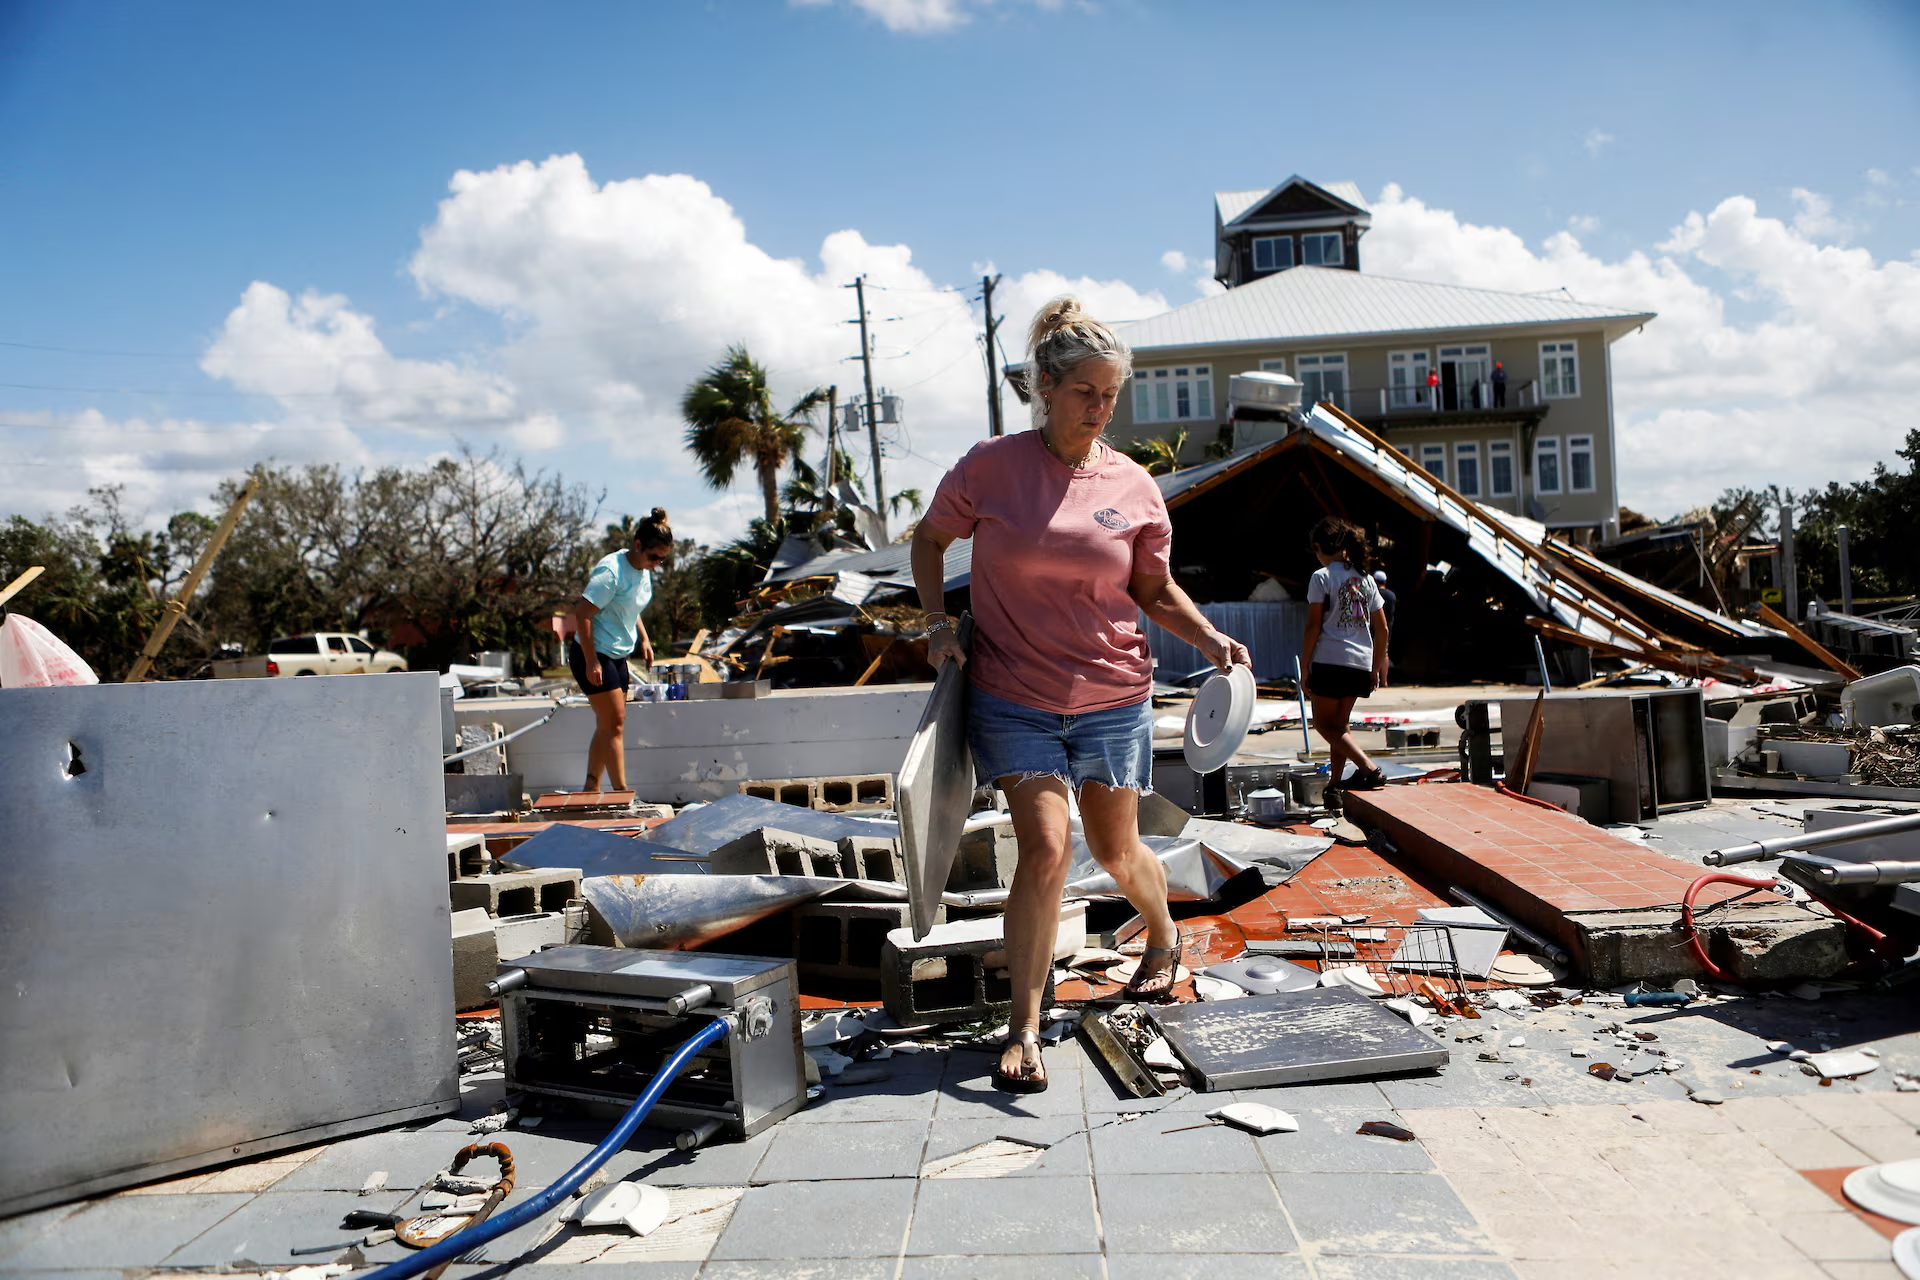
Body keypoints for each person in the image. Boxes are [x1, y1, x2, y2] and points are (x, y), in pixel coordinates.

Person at [912, 296, 1250, 1094]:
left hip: (1112, 694)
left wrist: (1208, 639)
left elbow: (1154, 588)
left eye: (1110, 395)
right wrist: (936, 623)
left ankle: (1162, 933)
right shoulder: (991, 467)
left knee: (1115, 851)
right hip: (1014, 694)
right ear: (1046, 389)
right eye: (1084, 393)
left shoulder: (1133, 485)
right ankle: (1024, 1028)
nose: (1099, 409)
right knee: (1045, 847)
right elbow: (929, 541)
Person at [569, 508, 672, 793]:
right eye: (654, 557)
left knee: (607, 723)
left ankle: (591, 788)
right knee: (615, 724)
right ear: (638, 545)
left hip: (617, 653)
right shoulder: (611, 571)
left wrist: (645, 639)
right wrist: (591, 661)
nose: (657, 564)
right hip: (593, 652)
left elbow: (630, 606)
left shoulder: (642, 569)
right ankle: (621, 794)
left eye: (662, 559)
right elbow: (582, 613)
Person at [1301, 516, 1390, 795]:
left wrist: (1305, 669)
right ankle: (1335, 786)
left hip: (1329, 659)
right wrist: (1375, 668)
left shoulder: (1321, 577)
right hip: (1360, 663)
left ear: (1319, 547)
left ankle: (1368, 768)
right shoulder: (1366, 579)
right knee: (1340, 727)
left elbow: (1314, 624)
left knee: (1323, 725)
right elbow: (1383, 629)